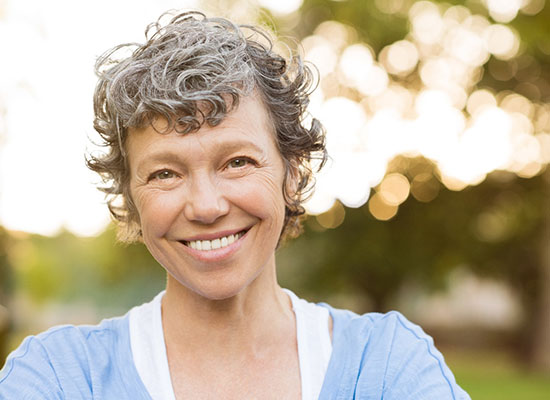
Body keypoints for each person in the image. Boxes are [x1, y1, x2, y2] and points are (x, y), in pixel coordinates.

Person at [0, 11, 470, 399]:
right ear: (130, 198)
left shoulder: (388, 367)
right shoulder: (59, 379)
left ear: (294, 173)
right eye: (165, 173)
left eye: (238, 162)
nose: (205, 206)